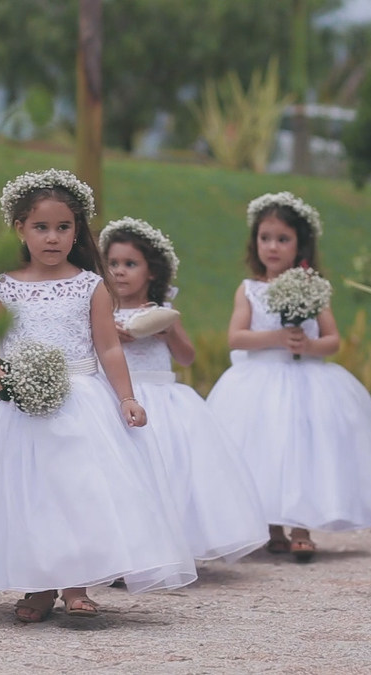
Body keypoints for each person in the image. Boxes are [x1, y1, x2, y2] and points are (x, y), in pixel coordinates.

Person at [0, 169, 195, 623]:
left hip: (78, 402)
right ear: (20, 228)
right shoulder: (4, 286)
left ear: (77, 231)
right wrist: (5, 381)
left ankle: (75, 585)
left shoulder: (90, 285)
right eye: (41, 227)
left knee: (75, 490)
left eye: (63, 227)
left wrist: (126, 398)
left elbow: (109, 347)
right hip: (17, 405)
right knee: (25, 494)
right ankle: (38, 586)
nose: (53, 237)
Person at [206, 192, 371, 562]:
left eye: (282, 239)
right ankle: (271, 526)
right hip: (258, 381)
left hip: (305, 380)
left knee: (301, 451)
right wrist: (277, 338)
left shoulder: (314, 289)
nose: (272, 247)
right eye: (265, 238)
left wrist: (308, 346)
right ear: (254, 242)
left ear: (300, 244)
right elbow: (236, 337)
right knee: (264, 449)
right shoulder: (249, 290)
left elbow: (333, 340)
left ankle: (301, 527)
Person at [99, 217, 270, 563]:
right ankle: (122, 552)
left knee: (170, 473)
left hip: (161, 401)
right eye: (113, 264)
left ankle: (168, 549)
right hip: (117, 398)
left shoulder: (162, 313)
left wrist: (169, 332)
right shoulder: (102, 311)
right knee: (121, 475)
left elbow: (187, 357)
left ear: (151, 272)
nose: (119, 271)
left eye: (130, 264)